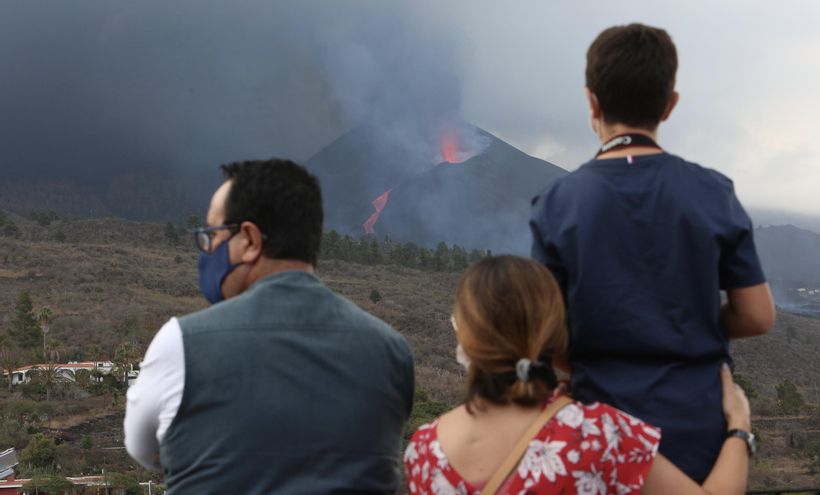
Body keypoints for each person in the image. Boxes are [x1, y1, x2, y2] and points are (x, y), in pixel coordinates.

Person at [529, 23, 775, 482]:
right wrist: (697, 322)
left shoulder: (557, 203)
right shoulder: (711, 192)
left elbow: (544, 336)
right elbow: (758, 316)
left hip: (597, 439)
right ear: (669, 105)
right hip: (698, 433)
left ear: (592, 102)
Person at [124, 159, 414, 494]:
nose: (207, 249)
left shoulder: (182, 343)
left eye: (212, 234)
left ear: (249, 240)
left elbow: (142, 447)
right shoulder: (391, 349)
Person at [405, 256, 752, 494]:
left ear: (464, 333)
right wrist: (739, 426)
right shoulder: (595, 434)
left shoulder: (423, 449)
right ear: (555, 335)